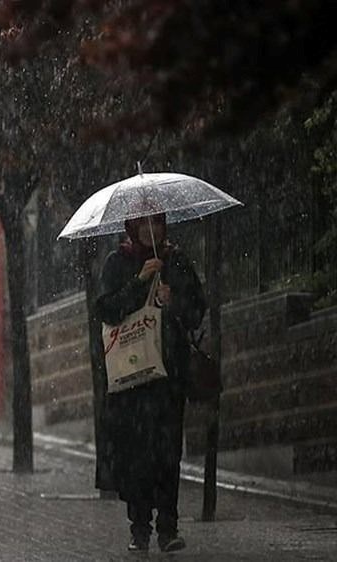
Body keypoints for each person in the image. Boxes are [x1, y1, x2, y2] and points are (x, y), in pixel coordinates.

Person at [96, 213, 206, 553]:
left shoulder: (175, 260)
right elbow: (107, 310)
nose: (150, 229)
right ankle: (139, 527)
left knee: (168, 452)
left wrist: (176, 302)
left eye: (156, 222)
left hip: (168, 377)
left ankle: (168, 527)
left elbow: (196, 312)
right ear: (132, 227)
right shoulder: (118, 262)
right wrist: (139, 283)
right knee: (137, 455)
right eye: (143, 224)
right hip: (132, 380)